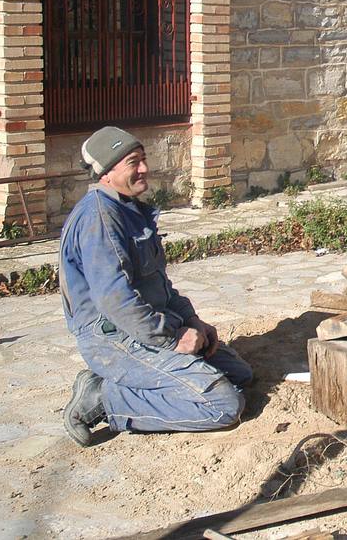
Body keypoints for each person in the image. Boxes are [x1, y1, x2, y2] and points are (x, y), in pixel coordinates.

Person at [59, 127, 252, 446]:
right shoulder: (99, 218)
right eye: (133, 162)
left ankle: (147, 378)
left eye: (143, 159)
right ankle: (104, 397)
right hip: (113, 338)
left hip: (146, 326)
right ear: (107, 172)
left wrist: (191, 320)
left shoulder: (129, 209)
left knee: (240, 375)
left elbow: (158, 284)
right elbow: (116, 301)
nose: (144, 168)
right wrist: (173, 339)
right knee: (223, 406)